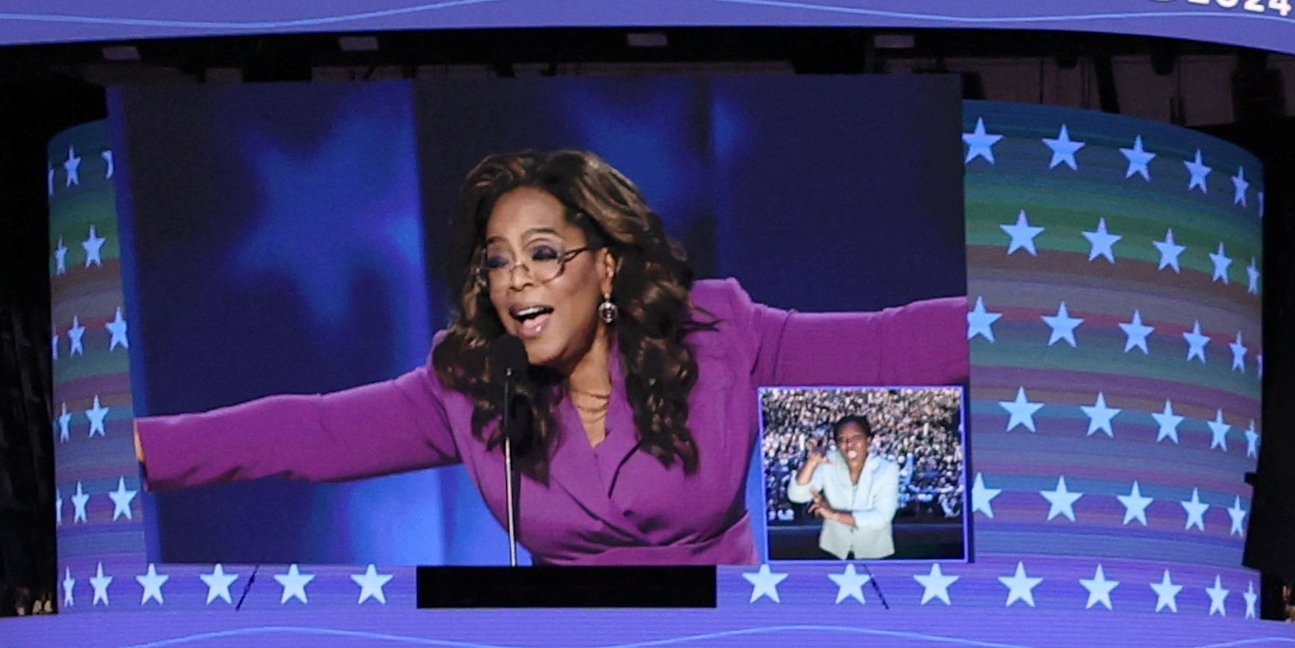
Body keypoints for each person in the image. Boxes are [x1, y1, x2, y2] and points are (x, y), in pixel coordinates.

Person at [133, 149, 966, 565]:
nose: (516, 280)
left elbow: (894, 340)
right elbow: (308, 435)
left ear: (606, 264)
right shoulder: (470, 381)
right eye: (497, 260)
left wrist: (1050, 318)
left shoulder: (716, 331)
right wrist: (131, 450)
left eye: (541, 253)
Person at [786, 414, 901, 560]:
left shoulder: (887, 468)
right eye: (842, 439)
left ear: (868, 441)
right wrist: (812, 463)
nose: (849, 444)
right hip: (833, 551)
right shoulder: (829, 462)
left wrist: (834, 515)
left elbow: (881, 517)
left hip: (874, 553)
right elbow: (796, 496)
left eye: (856, 438)